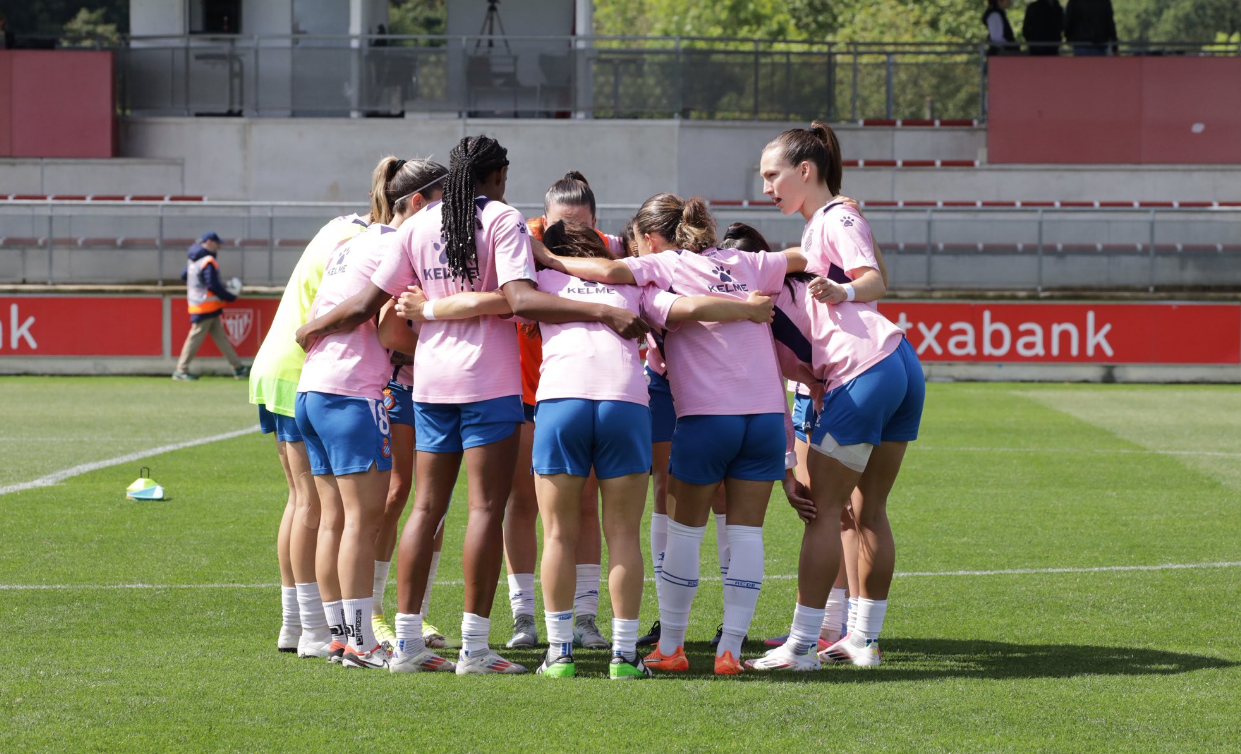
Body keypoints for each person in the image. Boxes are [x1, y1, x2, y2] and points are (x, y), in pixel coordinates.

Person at [295, 134, 649, 676]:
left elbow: (371, 303)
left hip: (431, 380)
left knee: (425, 508)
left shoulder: (415, 225)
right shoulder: (502, 218)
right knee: (484, 509)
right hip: (489, 380)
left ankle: (407, 645)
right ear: (498, 175)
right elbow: (522, 298)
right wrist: (603, 312)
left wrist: (316, 326)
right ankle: (475, 649)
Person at [399, 219, 776, 679]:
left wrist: (427, 307)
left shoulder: (537, 281)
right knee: (623, 534)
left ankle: (559, 655)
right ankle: (625, 656)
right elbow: (690, 306)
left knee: (558, 534)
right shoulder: (632, 281)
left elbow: (485, 302)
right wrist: (746, 309)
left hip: (562, 403)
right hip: (625, 403)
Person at [534, 193, 792, 676]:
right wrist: (749, 306)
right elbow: (801, 257)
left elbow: (651, 291)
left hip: (695, 414)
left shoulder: (649, 272)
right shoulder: (745, 262)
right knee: (741, 533)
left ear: (650, 240)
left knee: (668, 532)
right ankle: (722, 650)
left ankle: (651, 646)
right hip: (761, 414)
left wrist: (544, 256)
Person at [753, 121, 922, 669]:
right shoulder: (828, 221)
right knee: (866, 511)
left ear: (805, 170)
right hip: (895, 363)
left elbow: (874, 280)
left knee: (824, 513)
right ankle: (862, 641)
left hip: (863, 367)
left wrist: (843, 289)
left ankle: (801, 646)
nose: (766, 188)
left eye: (772, 175)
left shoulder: (833, 218)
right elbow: (875, 273)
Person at [293, 158, 449, 671]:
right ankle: (362, 641)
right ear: (418, 202)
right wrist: (438, 339)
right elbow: (385, 326)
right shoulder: (398, 245)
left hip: (314, 389)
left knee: (334, 520)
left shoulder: (353, 242)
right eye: (443, 203)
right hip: (352, 393)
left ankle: (342, 637)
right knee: (362, 521)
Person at [504, 171, 619, 653]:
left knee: (586, 505)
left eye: (581, 226)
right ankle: (524, 615)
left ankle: (586, 618)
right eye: (560, 225)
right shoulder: (520, 244)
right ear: (543, 218)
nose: (570, 234)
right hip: (526, 393)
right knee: (522, 503)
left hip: (579, 393)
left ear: (595, 221)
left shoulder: (609, 251)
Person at [249, 205, 369, 657]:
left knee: (300, 500)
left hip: (278, 363)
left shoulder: (339, 226)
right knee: (314, 503)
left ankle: (296, 625)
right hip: (300, 368)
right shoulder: (360, 239)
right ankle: (314, 630)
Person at [173, 231, 248, 381]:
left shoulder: (193, 259)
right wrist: (230, 296)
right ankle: (181, 370)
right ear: (208, 242)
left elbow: (184, 275)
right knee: (194, 338)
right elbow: (213, 285)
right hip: (205, 306)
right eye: (217, 243)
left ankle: (238, 368)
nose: (219, 246)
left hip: (202, 305)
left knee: (221, 339)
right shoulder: (208, 261)